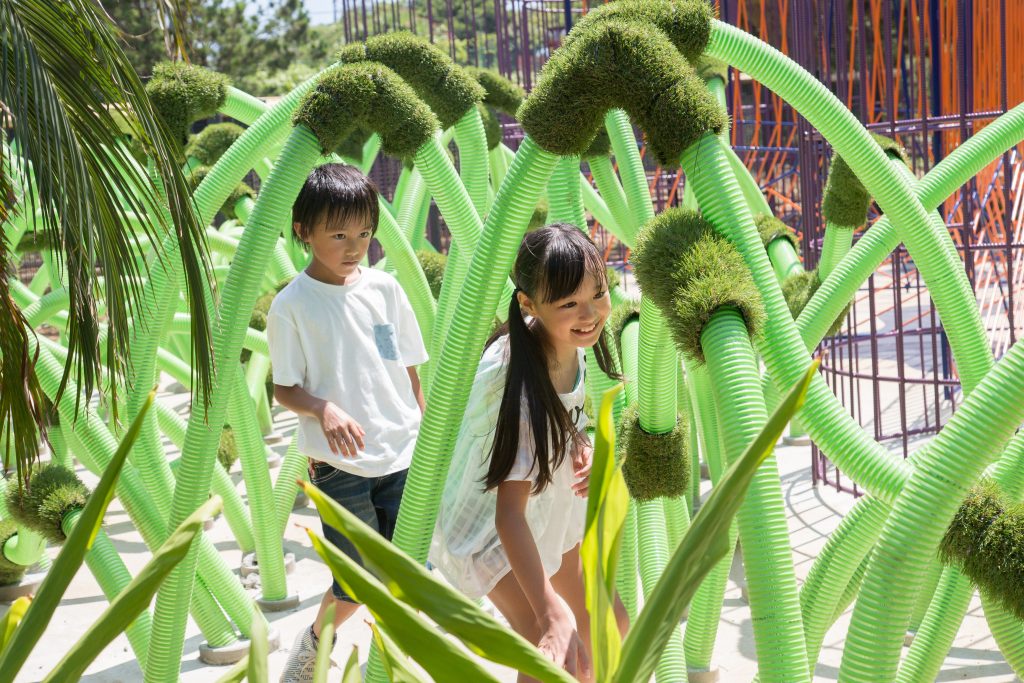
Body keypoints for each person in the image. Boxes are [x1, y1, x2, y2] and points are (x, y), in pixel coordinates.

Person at [431, 224, 629, 682]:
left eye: (598, 294)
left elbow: (558, 415)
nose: (591, 314)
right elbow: (508, 517)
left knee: (610, 625)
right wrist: (548, 612)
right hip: (494, 533)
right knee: (557, 654)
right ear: (528, 305)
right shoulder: (516, 387)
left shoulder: (565, 339)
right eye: (568, 304)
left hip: (544, 509)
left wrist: (577, 443)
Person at [267, 164, 428, 683]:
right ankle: (315, 646)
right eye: (338, 234)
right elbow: (284, 388)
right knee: (355, 579)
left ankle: (392, 665)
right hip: (340, 467)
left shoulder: (384, 291)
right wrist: (324, 409)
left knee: (411, 572)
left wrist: (424, 432)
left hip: (403, 452)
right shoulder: (291, 306)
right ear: (303, 231)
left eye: (363, 233)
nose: (354, 245)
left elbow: (404, 366)